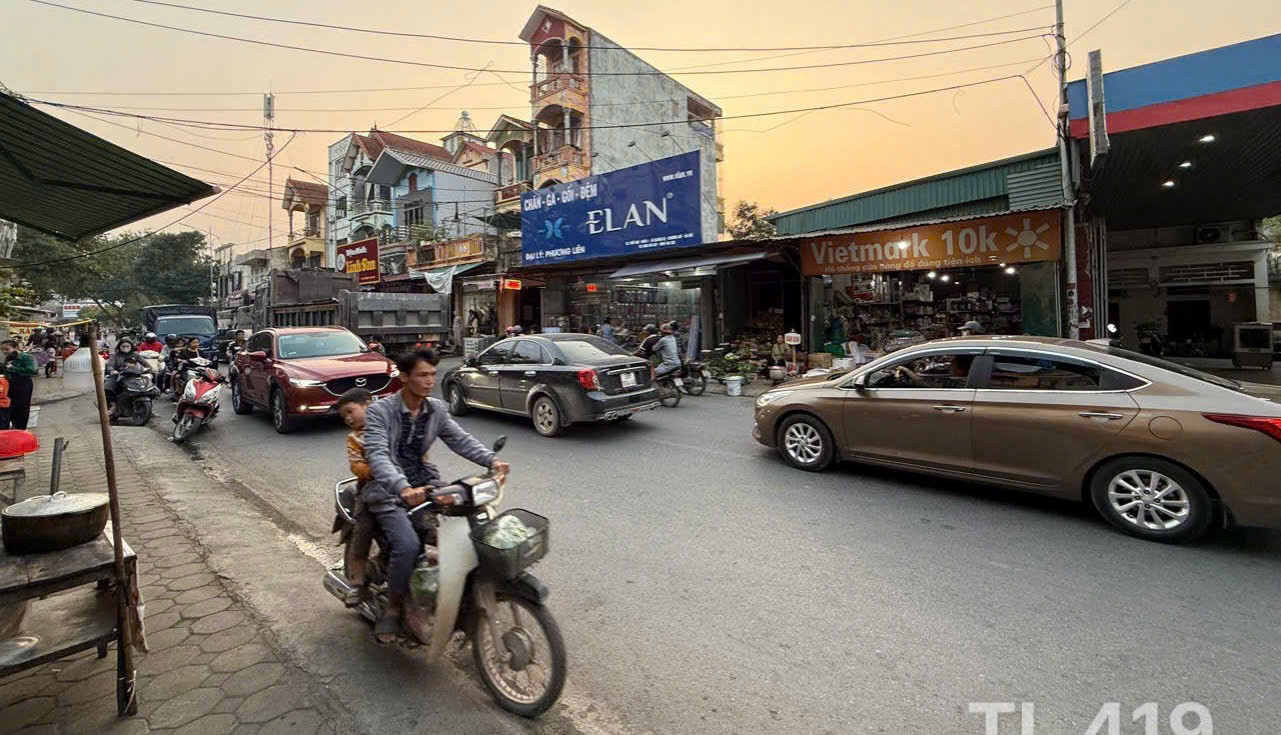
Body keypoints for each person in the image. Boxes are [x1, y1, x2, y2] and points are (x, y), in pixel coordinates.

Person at [362, 348, 510, 644]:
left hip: (425, 482)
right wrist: (402, 487)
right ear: (404, 377)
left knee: (466, 527)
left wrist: (491, 461)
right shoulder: (380, 412)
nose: (430, 381)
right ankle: (393, 607)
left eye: (432, 374)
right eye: (422, 375)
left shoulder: (436, 409)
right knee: (407, 544)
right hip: (388, 489)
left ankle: (456, 596)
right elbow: (377, 455)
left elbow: (459, 439)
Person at [337, 387, 376, 606]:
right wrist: (373, 470)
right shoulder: (354, 439)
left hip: (405, 484)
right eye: (345, 416)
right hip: (370, 489)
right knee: (364, 526)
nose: (348, 419)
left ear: (368, 404)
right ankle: (357, 581)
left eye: (351, 411)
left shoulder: (389, 424)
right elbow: (356, 465)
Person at [1, 340, 37, 430]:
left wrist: (13, 368)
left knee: (22, 407)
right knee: (10, 405)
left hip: (23, 385)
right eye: (2, 350)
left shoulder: (26, 357)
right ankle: (12, 426)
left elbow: (32, 370)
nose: (4, 351)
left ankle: (20, 428)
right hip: (10, 384)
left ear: (16, 348)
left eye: (6, 349)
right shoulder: (9, 358)